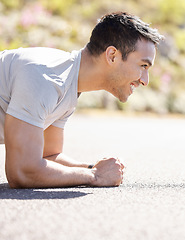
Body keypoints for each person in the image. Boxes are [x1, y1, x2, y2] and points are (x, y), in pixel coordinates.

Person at [1, 12, 164, 188]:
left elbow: (48, 156)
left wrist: (94, 169)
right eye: (143, 66)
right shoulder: (46, 78)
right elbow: (22, 171)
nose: (145, 80)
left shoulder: (68, 83)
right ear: (112, 56)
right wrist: (94, 176)